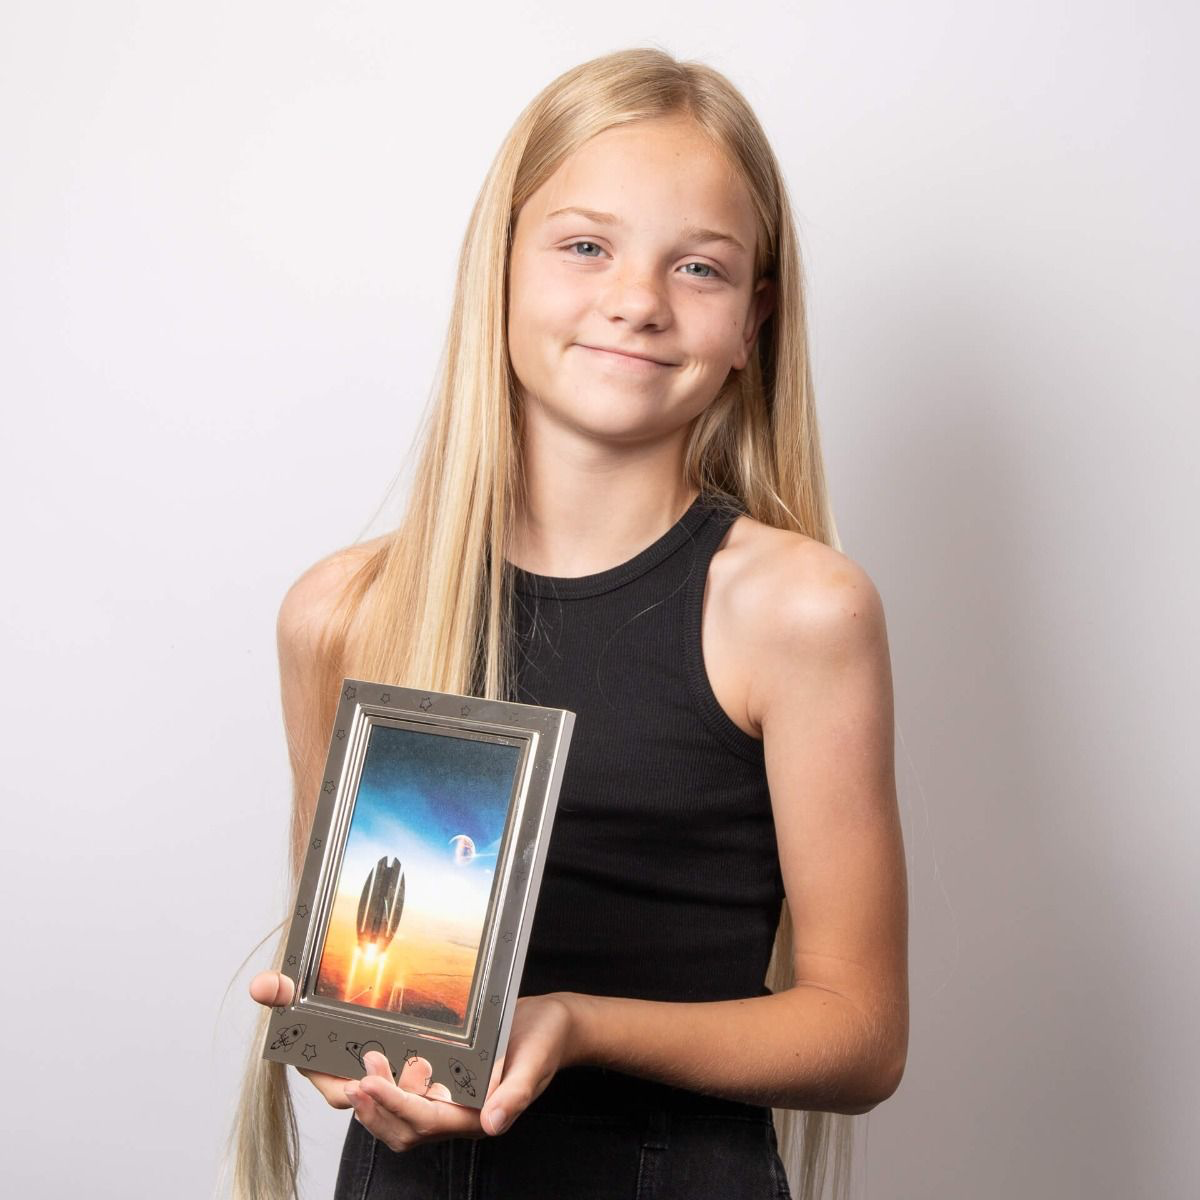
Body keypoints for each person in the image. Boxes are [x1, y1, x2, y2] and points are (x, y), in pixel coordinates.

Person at [226, 46, 908, 1200]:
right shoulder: (344, 612)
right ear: (496, 272)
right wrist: (361, 1072)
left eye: (697, 267)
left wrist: (572, 1025)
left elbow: (860, 1034)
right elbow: (351, 996)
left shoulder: (796, 609)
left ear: (753, 322)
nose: (636, 299)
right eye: (586, 245)